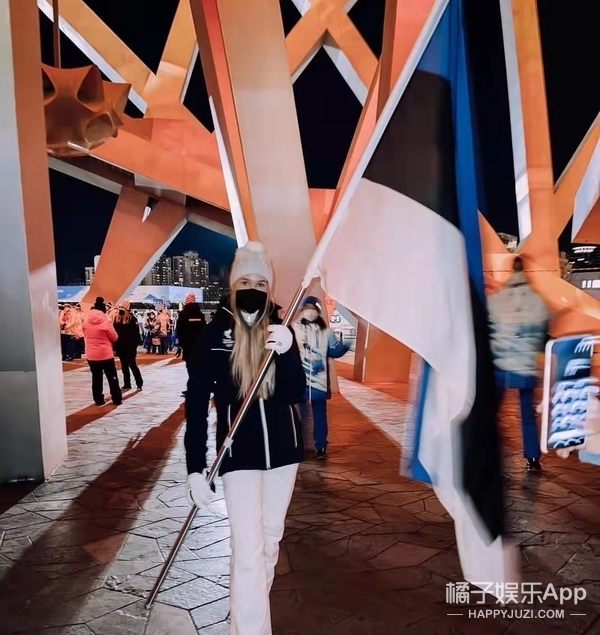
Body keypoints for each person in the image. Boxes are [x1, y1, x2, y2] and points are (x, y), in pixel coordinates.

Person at [185, 241, 306, 635]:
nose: (253, 288)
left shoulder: (282, 331)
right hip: (238, 455)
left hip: (284, 454)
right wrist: (194, 467)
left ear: (270, 287)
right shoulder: (213, 334)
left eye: (261, 282)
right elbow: (196, 403)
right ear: (233, 285)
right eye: (245, 281)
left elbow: (294, 393)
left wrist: (289, 352)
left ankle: (245, 619)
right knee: (249, 553)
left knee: (268, 544)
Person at [487, 256, 551, 472]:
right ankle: (532, 458)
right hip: (526, 367)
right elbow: (543, 336)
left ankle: (488, 453)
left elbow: (488, 331)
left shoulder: (496, 300)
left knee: (491, 411)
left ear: (510, 271)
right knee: (527, 415)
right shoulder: (537, 301)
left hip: (501, 365)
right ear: (525, 271)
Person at [293, 296, 349, 459]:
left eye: (312, 308)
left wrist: (345, 344)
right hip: (303, 380)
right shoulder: (295, 329)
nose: (310, 311)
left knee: (315, 415)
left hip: (316, 382)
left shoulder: (325, 332)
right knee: (304, 415)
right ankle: (306, 445)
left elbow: (334, 351)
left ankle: (317, 446)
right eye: (307, 308)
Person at [83, 297, 122, 406]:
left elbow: (84, 333)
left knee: (96, 378)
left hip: (91, 355)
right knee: (112, 377)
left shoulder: (86, 320)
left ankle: (98, 399)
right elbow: (114, 337)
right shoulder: (106, 321)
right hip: (105, 354)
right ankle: (116, 399)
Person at [176, 292, 207, 396]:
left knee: (190, 367)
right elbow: (204, 330)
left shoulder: (183, 314)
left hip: (188, 346)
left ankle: (193, 388)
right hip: (200, 346)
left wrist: (180, 345)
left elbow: (179, 330)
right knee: (198, 368)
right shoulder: (200, 315)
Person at [113, 300, 143, 392]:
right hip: (121, 347)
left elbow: (136, 334)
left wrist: (134, 345)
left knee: (132, 365)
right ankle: (127, 384)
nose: (121, 310)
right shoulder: (117, 319)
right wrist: (115, 347)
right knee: (124, 366)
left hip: (130, 347)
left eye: (123, 308)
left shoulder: (132, 319)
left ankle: (139, 383)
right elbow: (115, 334)